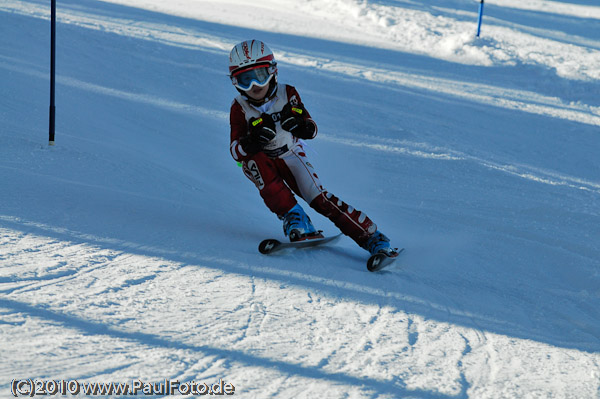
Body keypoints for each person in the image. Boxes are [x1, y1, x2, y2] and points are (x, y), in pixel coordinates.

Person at [228, 39, 397, 256]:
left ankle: (373, 237)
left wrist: (299, 124)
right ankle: (294, 216)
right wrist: (252, 141)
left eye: (259, 76)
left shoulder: (287, 93)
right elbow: (235, 151)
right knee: (253, 163)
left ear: (272, 71)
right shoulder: (239, 108)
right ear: (235, 82)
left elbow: (311, 129)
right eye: (245, 80)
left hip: (290, 154)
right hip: (262, 160)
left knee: (319, 198)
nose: (255, 86)